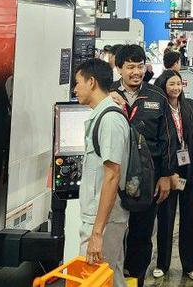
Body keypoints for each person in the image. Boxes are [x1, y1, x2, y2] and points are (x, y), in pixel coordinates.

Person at [109, 45, 176, 287]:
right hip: (114, 177)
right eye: (130, 67)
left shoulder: (156, 96)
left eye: (140, 66)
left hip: (148, 178)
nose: (136, 72)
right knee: (113, 234)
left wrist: (166, 175)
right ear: (119, 68)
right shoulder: (107, 94)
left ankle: (135, 279)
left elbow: (168, 139)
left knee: (141, 234)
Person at [73, 59, 130, 287]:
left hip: (104, 220)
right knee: (111, 277)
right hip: (102, 218)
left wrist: (97, 233)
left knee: (94, 279)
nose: (75, 89)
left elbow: (112, 176)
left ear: (92, 82)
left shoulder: (110, 120)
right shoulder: (102, 115)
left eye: (78, 82)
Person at [154, 71, 193, 281]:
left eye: (179, 84)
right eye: (171, 84)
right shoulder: (159, 108)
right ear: (163, 86)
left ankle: (191, 264)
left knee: (191, 219)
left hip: (190, 168)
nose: (176, 88)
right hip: (168, 171)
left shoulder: (190, 106)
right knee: (165, 219)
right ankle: (162, 263)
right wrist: (164, 172)